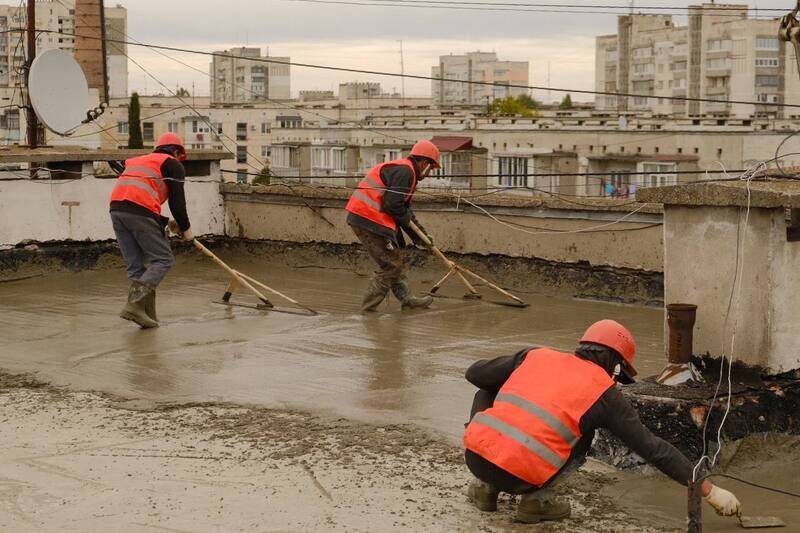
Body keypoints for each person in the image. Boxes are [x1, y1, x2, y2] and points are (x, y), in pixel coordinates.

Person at [462, 319, 741, 524]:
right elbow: (654, 449)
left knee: (487, 389)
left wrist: (516, 380)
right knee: (584, 432)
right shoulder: (604, 395)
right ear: (615, 364)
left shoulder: (535, 356)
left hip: (476, 459)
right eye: (619, 373)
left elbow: (475, 373)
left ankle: (485, 487)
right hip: (524, 479)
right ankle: (537, 502)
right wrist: (709, 490)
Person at [109, 132, 194, 328]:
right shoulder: (172, 164)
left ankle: (147, 316)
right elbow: (177, 203)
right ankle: (134, 305)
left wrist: (166, 222)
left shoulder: (138, 161)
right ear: (176, 151)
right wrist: (186, 229)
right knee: (163, 260)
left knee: (136, 267)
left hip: (116, 210)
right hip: (140, 211)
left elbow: (138, 196)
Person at [345, 139, 440, 312]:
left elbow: (404, 211)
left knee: (396, 256)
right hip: (368, 218)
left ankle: (407, 300)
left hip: (371, 218)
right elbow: (393, 206)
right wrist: (418, 235)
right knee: (391, 264)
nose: (429, 174)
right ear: (425, 163)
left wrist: (420, 237)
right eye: (431, 169)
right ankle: (368, 309)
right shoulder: (406, 172)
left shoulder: (405, 170)